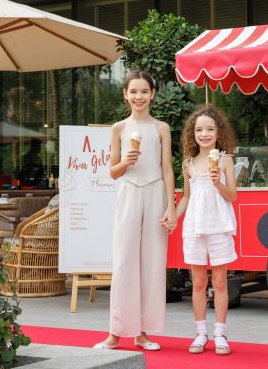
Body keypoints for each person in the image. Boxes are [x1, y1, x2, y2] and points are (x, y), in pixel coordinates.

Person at [94, 70, 176, 351]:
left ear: (153, 93)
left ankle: (143, 333)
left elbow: (167, 170)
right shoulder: (118, 128)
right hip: (128, 192)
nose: (138, 96)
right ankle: (115, 333)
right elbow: (113, 173)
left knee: (152, 264)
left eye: (144, 91)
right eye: (133, 92)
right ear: (125, 95)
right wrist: (126, 162)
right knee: (124, 263)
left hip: (155, 194)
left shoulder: (161, 128)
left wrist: (171, 208)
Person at [171, 105, 238, 356]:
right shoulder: (188, 164)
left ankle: (220, 333)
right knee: (198, 282)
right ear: (193, 134)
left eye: (210, 129)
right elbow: (186, 198)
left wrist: (217, 181)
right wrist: (173, 218)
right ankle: (201, 333)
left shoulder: (225, 161)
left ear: (218, 132)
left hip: (219, 227)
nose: (204, 134)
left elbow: (232, 196)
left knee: (220, 282)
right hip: (194, 229)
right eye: (199, 129)